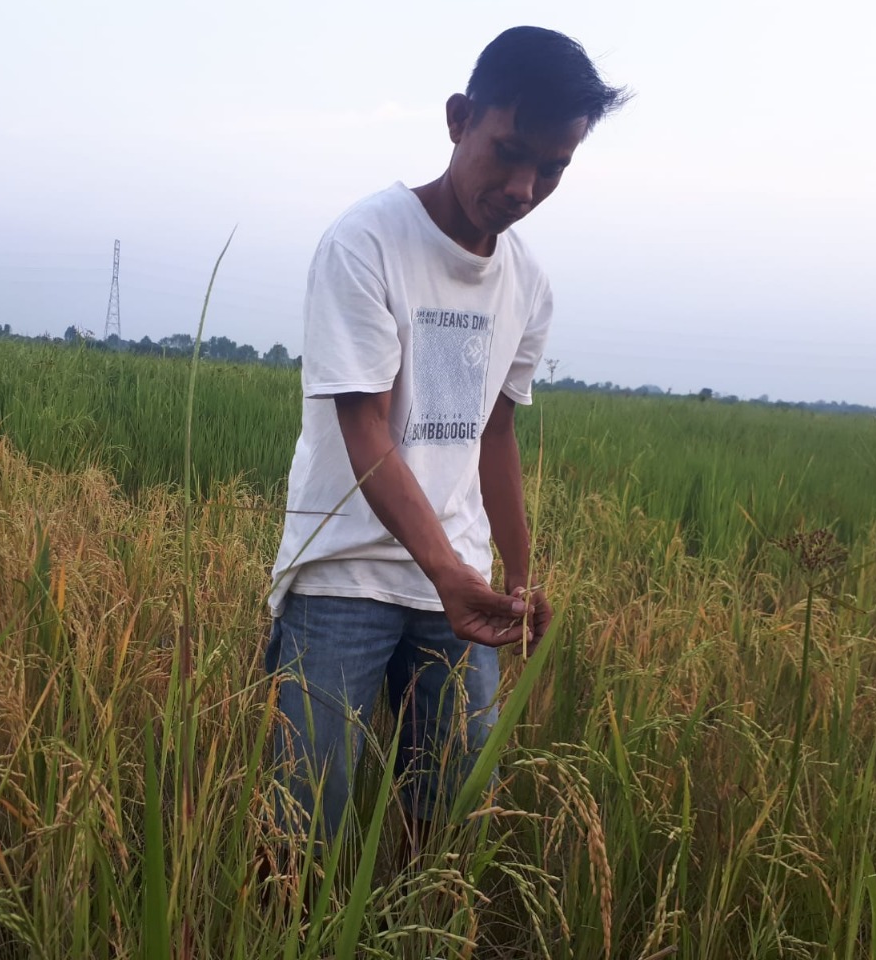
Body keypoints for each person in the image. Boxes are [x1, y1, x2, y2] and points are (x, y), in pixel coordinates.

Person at [266, 26, 627, 842]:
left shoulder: (527, 282)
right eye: (508, 151)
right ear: (459, 118)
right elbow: (364, 427)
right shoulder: (365, 242)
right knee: (301, 824)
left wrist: (520, 575)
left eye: (554, 168)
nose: (525, 186)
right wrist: (448, 573)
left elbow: (495, 433)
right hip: (342, 573)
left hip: (458, 585)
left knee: (452, 818)